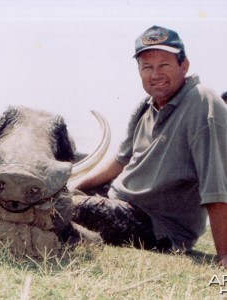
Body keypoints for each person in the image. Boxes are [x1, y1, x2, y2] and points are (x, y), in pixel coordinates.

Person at [70, 25, 227, 268]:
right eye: (147, 67)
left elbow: (215, 183)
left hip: (157, 226)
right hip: (119, 203)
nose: (156, 74)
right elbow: (120, 161)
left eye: (164, 64)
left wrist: (224, 254)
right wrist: (73, 187)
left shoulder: (202, 101)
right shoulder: (146, 106)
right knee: (55, 199)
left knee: (63, 208)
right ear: (139, 71)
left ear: (184, 66)